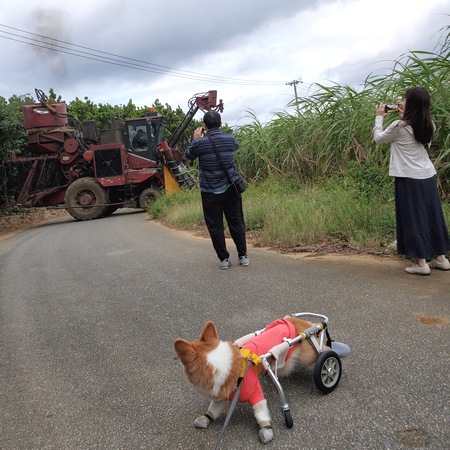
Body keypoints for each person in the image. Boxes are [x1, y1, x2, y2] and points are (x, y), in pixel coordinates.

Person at [373, 86, 450, 275]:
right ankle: (441, 259)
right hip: (427, 176)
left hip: (408, 178)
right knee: (432, 216)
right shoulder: (430, 124)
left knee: (413, 218)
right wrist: (406, 115)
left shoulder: (399, 127)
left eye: (406, 100)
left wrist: (379, 117)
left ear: (412, 104)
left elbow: (378, 138)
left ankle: (422, 264)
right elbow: (421, 140)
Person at [185, 111, 249, 270]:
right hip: (231, 188)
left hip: (210, 192)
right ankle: (243, 256)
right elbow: (236, 146)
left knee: (215, 226)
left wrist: (196, 139)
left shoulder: (199, 143)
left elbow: (188, 155)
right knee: (236, 222)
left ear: (204, 126)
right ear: (220, 124)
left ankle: (224, 259)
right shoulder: (230, 139)